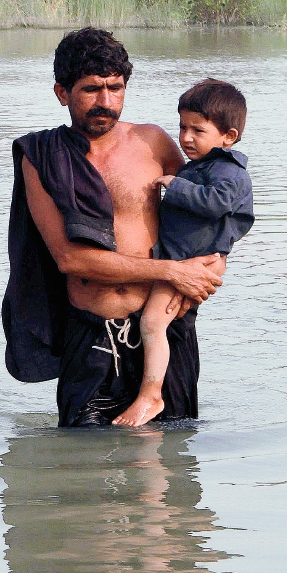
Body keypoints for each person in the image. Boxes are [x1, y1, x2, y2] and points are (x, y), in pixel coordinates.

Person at [3, 27, 227, 428]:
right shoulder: (41, 156)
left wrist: (210, 273)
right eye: (91, 89)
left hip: (164, 327)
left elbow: (211, 211)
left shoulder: (154, 142)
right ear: (61, 92)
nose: (106, 102)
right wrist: (172, 271)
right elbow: (71, 259)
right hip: (91, 336)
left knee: (172, 465)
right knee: (83, 472)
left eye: (116, 88)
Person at [112, 80, 254, 426]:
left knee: (152, 323)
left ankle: (151, 395)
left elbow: (215, 204)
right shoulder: (203, 166)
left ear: (229, 136)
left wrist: (175, 185)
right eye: (182, 127)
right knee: (157, 320)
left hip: (188, 264)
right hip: (179, 260)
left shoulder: (229, 173)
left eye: (197, 130)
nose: (186, 138)